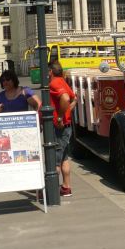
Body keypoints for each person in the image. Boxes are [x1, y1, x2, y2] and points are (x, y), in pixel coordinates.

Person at [49, 62, 77, 197]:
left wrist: (60, 117)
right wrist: (66, 113)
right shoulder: (62, 81)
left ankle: (52, 191)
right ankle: (66, 187)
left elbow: (66, 98)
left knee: (55, 158)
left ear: (50, 72)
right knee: (64, 158)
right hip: (66, 126)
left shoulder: (55, 83)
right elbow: (74, 99)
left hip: (59, 128)